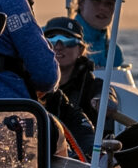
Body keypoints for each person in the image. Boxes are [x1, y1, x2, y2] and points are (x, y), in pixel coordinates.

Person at [39, 15, 100, 150]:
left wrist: (106, 100)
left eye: (67, 40)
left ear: (80, 50)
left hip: (82, 150)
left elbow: (105, 93)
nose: (59, 46)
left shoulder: (92, 85)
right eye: (52, 40)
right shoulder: (34, 84)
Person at [75, 0, 128, 76]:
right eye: (96, 0)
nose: (103, 8)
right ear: (81, 3)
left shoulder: (114, 52)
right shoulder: (54, 38)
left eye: (109, 3)